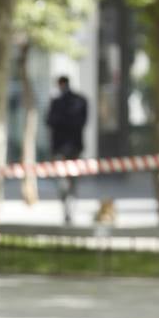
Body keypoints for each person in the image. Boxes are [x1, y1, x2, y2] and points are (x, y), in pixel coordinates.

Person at [46, 75, 89, 226]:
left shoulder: (57, 102)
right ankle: (70, 210)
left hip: (61, 148)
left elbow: (50, 122)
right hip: (75, 147)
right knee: (73, 181)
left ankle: (67, 211)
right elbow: (84, 122)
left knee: (63, 180)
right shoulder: (81, 100)